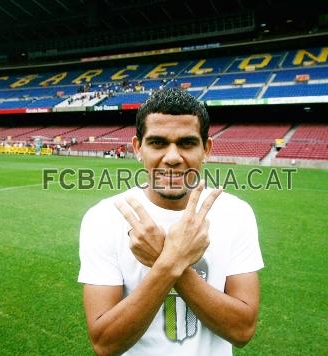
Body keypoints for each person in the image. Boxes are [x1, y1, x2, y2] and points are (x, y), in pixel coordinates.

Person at [78, 88, 264, 356]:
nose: (173, 157)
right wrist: (171, 262)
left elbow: (241, 331)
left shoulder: (236, 213)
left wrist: (164, 261)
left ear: (206, 149)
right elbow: (105, 344)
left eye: (187, 143)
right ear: (137, 148)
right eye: (157, 143)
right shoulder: (104, 217)